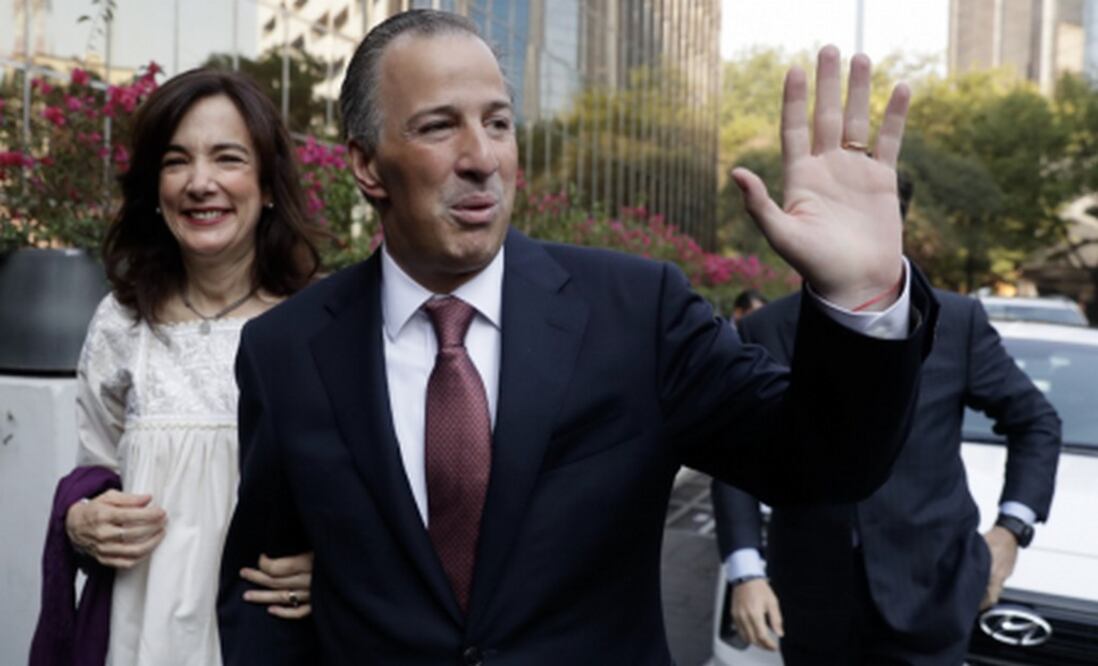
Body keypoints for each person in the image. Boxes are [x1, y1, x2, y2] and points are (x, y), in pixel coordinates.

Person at [218, 10, 939, 664]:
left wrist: (860, 300)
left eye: (498, 123)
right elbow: (262, 593)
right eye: (439, 126)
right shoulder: (286, 351)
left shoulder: (637, 311)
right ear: (367, 164)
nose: (482, 157)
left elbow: (822, 466)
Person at [31, 69, 323, 666]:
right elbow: (97, 470)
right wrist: (81, 520)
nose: (200, 183)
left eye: (228, 158)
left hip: (272, 641)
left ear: (268, 184)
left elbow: (374, 496)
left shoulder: (319, 325)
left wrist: (338, 568)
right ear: (154, 189)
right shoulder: (121, 322)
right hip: (139, 637)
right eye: (175, 161)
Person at [710, 176, 1061, 664]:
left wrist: (1011, 530)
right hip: (811, 600)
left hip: (933, 593)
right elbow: (736, 454)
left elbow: (1036, 421)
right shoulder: (766, 329)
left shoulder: (955, 322)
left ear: (898, 221)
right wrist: (746, 570)